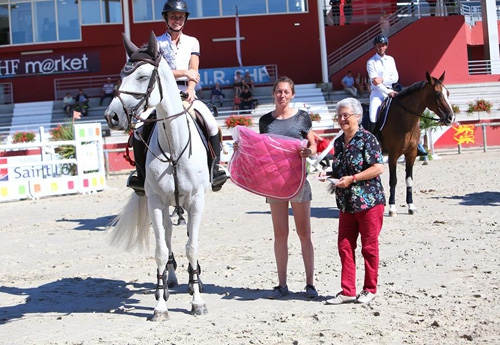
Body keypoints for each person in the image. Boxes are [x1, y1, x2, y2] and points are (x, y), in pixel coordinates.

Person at [127, 0, 228, 195]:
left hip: (186, 93)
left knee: (211, 124)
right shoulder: (156, 42)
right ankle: (140, 175)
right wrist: (185, 72)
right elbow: (158, 72)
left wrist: (191, 88)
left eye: (180, 17)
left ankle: (215, 170)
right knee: (139, 129)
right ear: (166, 18)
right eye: (173, 16)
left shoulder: (192, 41)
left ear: (185, 19)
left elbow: (194, 71)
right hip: (162, 95)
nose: (177, 20)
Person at [319, 97, 385, 305]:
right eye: (339, 116)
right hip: (347, 203)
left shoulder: (368, 139)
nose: (342, 119)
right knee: (345, 246)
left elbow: (377, 168)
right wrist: (328, 174)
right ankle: (348, 290)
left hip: (369, 201)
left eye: (346, 115)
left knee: (369, 247)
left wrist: (353, 179)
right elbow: (340, 170)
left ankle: (369, 289)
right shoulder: (339, 142)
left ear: (357, 116)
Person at [257, 76, 318, 299]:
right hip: (275, 184)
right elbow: (261, 149)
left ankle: (310, 283)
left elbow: (312, 143)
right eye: (279, 91)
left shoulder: (302, 118)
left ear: (292, 94)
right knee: (280, 234)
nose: (282, 95)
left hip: (299, 180)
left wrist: (309, 152)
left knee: (304, 234)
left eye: (286, 92)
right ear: (274, 94)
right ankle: (282, 284)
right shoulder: (265, 121)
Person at [366, 34, 427, 156]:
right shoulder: (371, 62)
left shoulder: (391, 60)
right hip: (377, 93)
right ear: (375, 47)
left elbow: (395, 77)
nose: (381, 47)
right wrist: (387, 91)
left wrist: (382, 79)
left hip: (392, 90)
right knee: (373, 116)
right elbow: (374, 82)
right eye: (379, 45)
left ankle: (416, 143)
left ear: (386, 46)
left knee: (407, 111)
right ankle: (371, 144)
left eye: (383, 45)